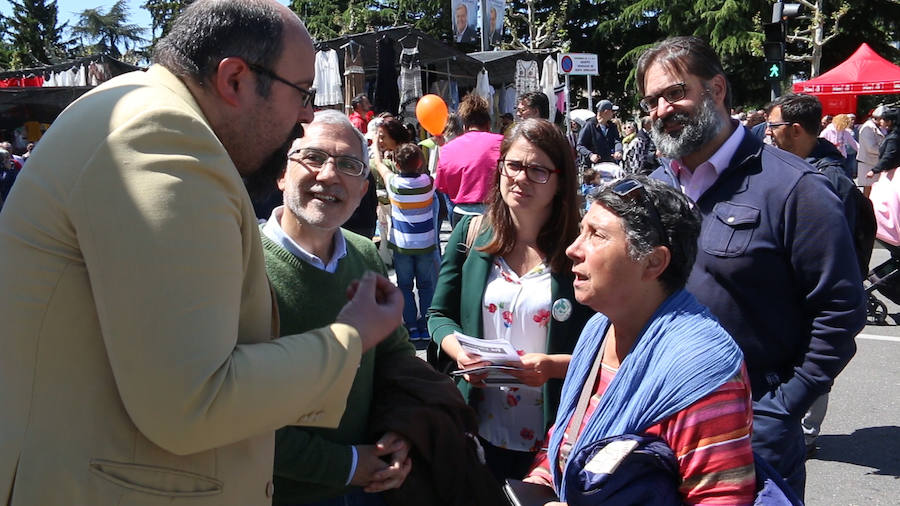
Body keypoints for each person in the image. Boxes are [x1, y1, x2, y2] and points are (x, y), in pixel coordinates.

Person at [0, 2, 405, 504]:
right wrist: (352, 335)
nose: (305, 114)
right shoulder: (167, 141)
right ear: (234, 79)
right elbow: (193, 402)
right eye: (302, 92)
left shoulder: (129, 108)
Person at [640, 36, 865, 499]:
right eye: (652, 101)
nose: (662, 109)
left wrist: (782, 407)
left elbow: (840, 310)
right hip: (656, 420)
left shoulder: (795, 188)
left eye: (674, 92)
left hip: (752, 430)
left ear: (717, 89)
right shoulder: (655, 188)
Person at [525, 176, 756, 504]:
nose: (573, 249)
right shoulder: (599, 330)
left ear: (653, 263)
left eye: (597, 236)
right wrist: (538, 484)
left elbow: (722, 499)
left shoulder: (701, 371)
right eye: (582, 230)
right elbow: (568, 441)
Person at [262, 110, 414, 505]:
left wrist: (401, 433)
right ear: (282, 174)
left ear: (363, 190)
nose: (329, 175)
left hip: (370, 481)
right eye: (313, 157)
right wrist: (344, 464)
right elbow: (234, 412)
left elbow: (395, 356)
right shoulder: (244, 267)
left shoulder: (364, 254)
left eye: (348, 165)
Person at [428, 119, 594, 481]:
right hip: (478, 432)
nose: (520, 178)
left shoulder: (584, 249)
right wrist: (460, 353)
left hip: (557, 440)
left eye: (537, 170)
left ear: (560, 180)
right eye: (514, 165)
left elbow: (610, 349)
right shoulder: (471, 234)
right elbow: (439, 315)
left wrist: (552, 366)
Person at [765, 94, 876, 456]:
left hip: (810, 295)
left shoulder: (827, 180)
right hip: (786, 296)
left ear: (795, 130)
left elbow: (831, 259)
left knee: (810, 362)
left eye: (773, 127)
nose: (768, 134)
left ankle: (806, 433)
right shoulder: (793, 168)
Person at [373, 142, 437, 340]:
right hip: (425, 244)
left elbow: (378, 163)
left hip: (402, 245)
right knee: (426, 286)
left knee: (405, 286)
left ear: (397, 165)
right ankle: (426, 326)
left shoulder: (393, 183)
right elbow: (438, 167)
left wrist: (376, 142)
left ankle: (411, 327)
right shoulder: (428, 182)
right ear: (419, 163)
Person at [434, 93, 504, 227]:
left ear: (464, 126)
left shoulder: (448, 149)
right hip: (494, 214)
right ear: (488, 125)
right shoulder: (502, 143)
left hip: (461, 216)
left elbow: (443, 186)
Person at [576, 100, 623, 167]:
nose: (613, 113)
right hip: (593, 167)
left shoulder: (612, 126)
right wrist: (590, 155)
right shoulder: (590, 125)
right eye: (612, 111)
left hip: (609, 164)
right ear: (606, 112)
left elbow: (617, 141)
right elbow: (580, 146)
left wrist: (618, 151)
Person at [857, 105, 887, 197]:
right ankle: (866, 209)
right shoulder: (867, 128)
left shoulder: (879, 127)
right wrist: (885, 152)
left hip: (875, 162)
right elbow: (871, 148)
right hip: (868, 163)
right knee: (868, 189)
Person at [819, 113, 858, 179]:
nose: (845, 127)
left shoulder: (845, 132)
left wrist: (862, 153)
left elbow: (854, 144)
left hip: (842, 158)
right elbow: (819, 143)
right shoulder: (827, 131)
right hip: (829, 159)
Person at [865, 108, 900, 182]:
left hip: (892, 171)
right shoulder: (893, 135)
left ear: (889, 122)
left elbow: (888, 155)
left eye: (883, 119)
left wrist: (874, 170)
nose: (880, 121)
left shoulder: (893, 138)